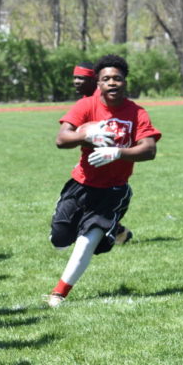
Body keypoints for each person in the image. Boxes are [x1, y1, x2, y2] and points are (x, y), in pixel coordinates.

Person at [45, 54, 160, 307]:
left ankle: (59, 293)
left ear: (125, 82)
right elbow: (61, 139)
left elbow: (149, 150)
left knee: (87, 240)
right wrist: (85, 134)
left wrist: (118, 152)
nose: (112, 83)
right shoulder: (86, 106)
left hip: (113, 190)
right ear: (98, 83)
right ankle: (115, 233)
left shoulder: (137, 113)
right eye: (106, 79)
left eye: (117, 78)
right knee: (59, 240)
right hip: (81, 184)